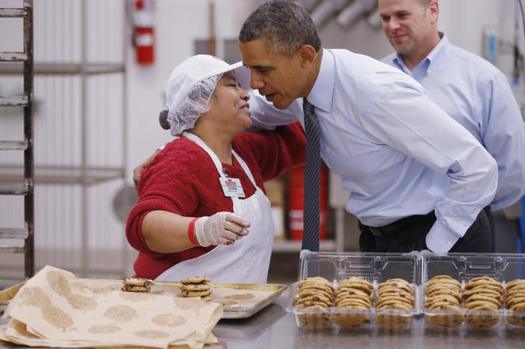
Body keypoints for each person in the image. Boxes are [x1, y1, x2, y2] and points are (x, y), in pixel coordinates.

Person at [237, 0, 498, 253]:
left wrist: (433, 246)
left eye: (264, 70)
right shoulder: (294, 89)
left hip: (440, 235)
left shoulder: (376, 93)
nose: (256, 82)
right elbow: (251, 110)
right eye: (250, 70)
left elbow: (477, 167)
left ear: (305, 56)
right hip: (378, 237)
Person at [126, 54, 305, 282]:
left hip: (229, 308)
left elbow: (304, 138)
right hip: (176, 308)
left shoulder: (242, 152)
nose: (245, 94)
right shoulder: (181, 159)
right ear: (201, 100)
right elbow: (144, 225)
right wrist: (201, 230)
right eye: (232, 85)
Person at [378, 0, 525, 221]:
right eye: (385, 18)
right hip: (385, 232)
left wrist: (469, 210)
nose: (392, 26)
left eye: (402, 15)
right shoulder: (373, 77)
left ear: (433, 10)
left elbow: (512, 169)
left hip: (463, 230)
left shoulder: (483, 79)